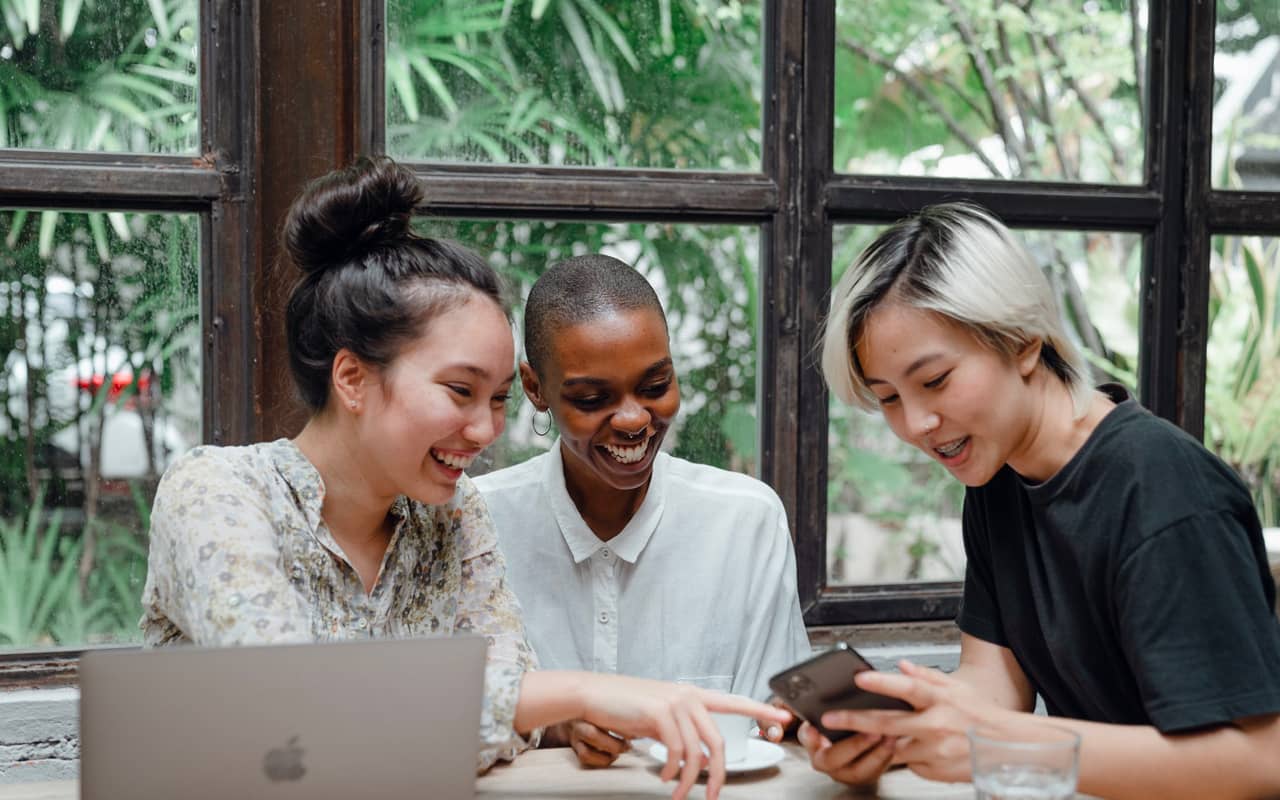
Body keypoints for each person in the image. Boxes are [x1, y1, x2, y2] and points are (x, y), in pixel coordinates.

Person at [139, 157, 788, 800]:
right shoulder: (217, 493)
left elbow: (511, 728)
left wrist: (518, 710)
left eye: (500, 399)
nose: (486, 431)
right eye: (460, 391)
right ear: (353, 378)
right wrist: (583, 690)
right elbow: (291, 725)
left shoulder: (451, 513)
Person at [809, 202, 1280, 799]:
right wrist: (894, 734)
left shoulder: (1165, 490)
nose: (917, 424)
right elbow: (995, 683)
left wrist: (992, 740)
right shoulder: (996, 473)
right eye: (888, 399)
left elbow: (1261, 761)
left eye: (934, 381)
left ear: (1023, 342)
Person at [474, 254, 811, 768]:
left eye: (655, 387)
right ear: (535, 388)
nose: (634, 419)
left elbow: (776, 723)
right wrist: (555, 722)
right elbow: (437, 719)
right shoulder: (478, 524)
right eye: (591, 397)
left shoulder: (745, 521)